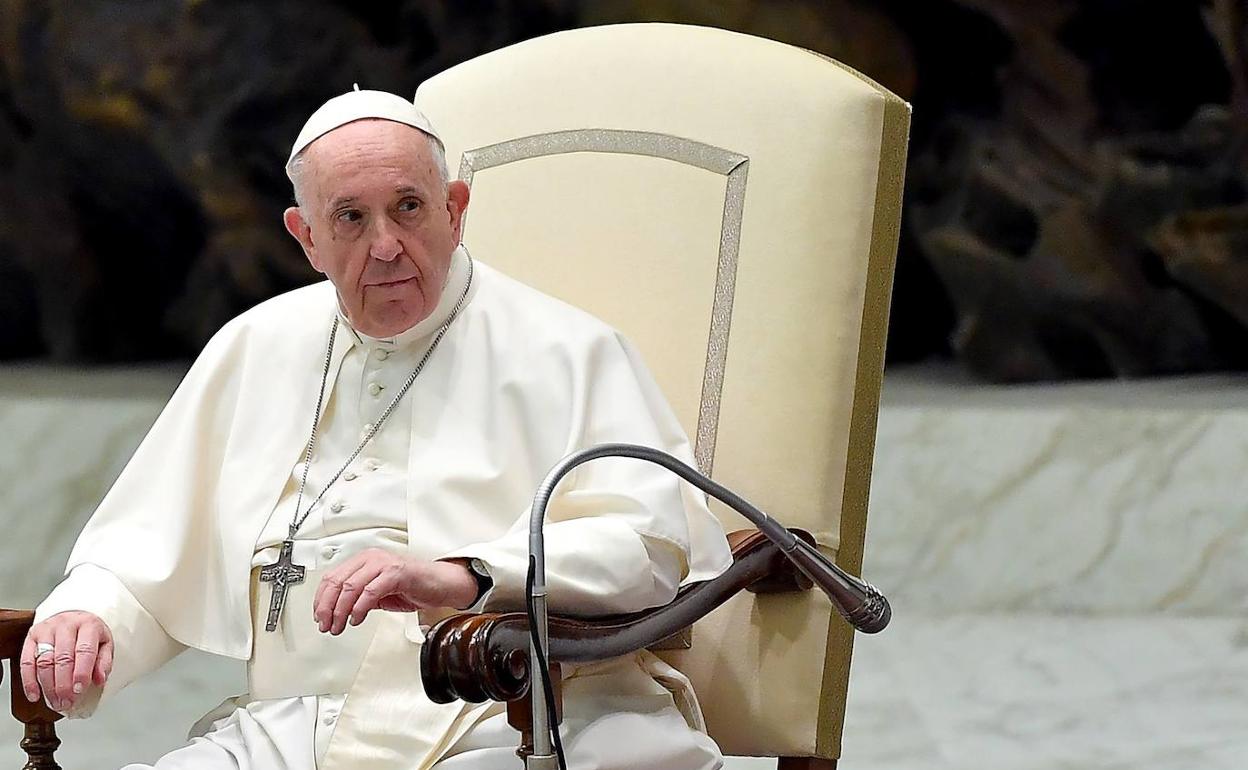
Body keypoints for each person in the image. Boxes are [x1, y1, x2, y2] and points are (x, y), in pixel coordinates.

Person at [20, 89, 733, 769]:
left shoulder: (569, 350)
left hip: (511, 714)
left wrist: (461, 574)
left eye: (409, 207)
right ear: (307, 238)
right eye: (351, 218)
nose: (386, 245)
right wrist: (90, 616)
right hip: (290, 729)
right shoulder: (255, 345)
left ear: (455, 211)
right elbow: (146, 556)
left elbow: (647, 543)